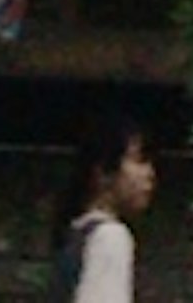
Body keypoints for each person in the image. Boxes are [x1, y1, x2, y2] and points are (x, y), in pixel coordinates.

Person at [62, 125, 157, 303]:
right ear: (103, 173)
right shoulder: (109, 237)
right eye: (138, 160)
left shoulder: (76, 234)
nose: (149, 173)